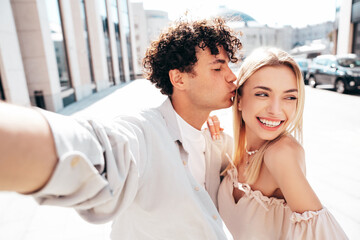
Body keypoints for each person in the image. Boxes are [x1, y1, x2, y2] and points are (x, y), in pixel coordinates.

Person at [0, 18, 242, 239]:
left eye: (230, 66)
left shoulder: (216, 140)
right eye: (218, 68)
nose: (233, 77)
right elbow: (102, 151)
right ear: (179, 79)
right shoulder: (143, 131)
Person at [217, 47, 348, 239]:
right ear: (239, 100)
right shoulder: (234, 152)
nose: (276, 110)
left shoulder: (281, 153)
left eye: (289, 97)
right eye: (263, 94)